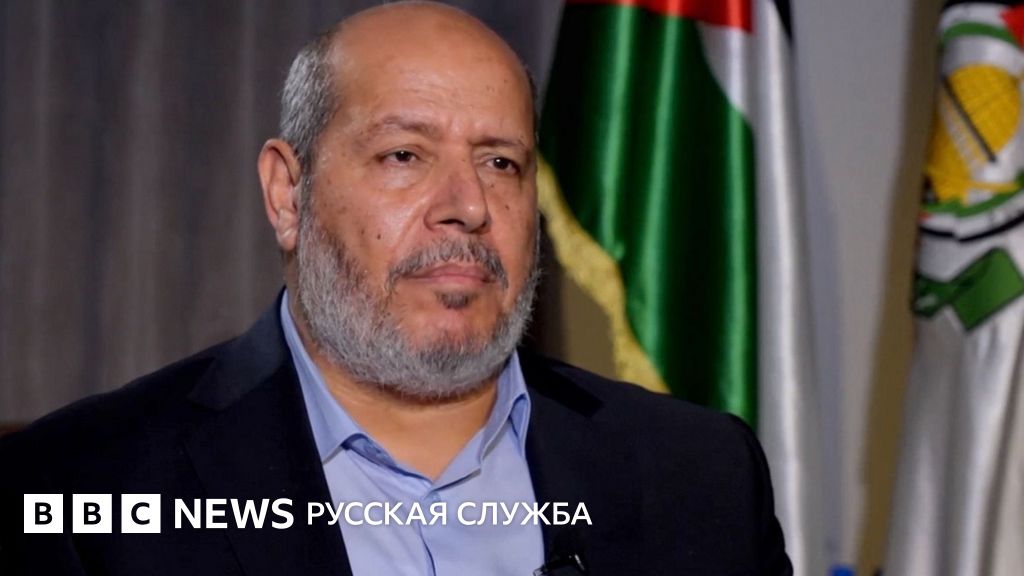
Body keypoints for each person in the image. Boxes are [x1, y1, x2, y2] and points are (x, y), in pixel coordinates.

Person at [0, 2, 793, 575]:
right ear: (288, 194)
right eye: (404, 156)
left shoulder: (700, 477)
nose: (469, 206)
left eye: (501, 162)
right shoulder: (78, 488)